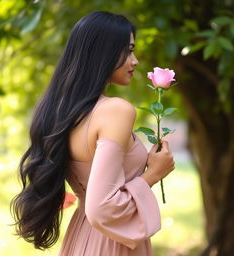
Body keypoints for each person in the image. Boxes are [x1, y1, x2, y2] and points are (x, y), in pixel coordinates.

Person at [11, 11, 175, 256]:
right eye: (129, 50)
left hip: (82, 236)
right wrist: (153, 174)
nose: (135, 60)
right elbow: (101, 208)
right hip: (112, 243)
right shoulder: (115, 111)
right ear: (103, 52)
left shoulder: (59, 110)